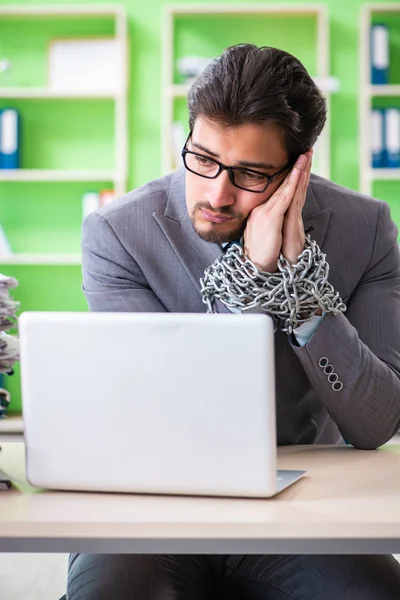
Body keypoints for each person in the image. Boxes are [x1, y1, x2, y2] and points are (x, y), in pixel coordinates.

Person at [68, 44, 400, 599]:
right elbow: (169, 413)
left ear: (299, 168)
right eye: (202, 159)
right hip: (154, 504)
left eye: (250, 174)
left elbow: (377, 424)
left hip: (305, 506)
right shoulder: (118, 234)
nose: (216, 194)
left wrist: (304, 294)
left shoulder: (363, 230)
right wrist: (252, 272)